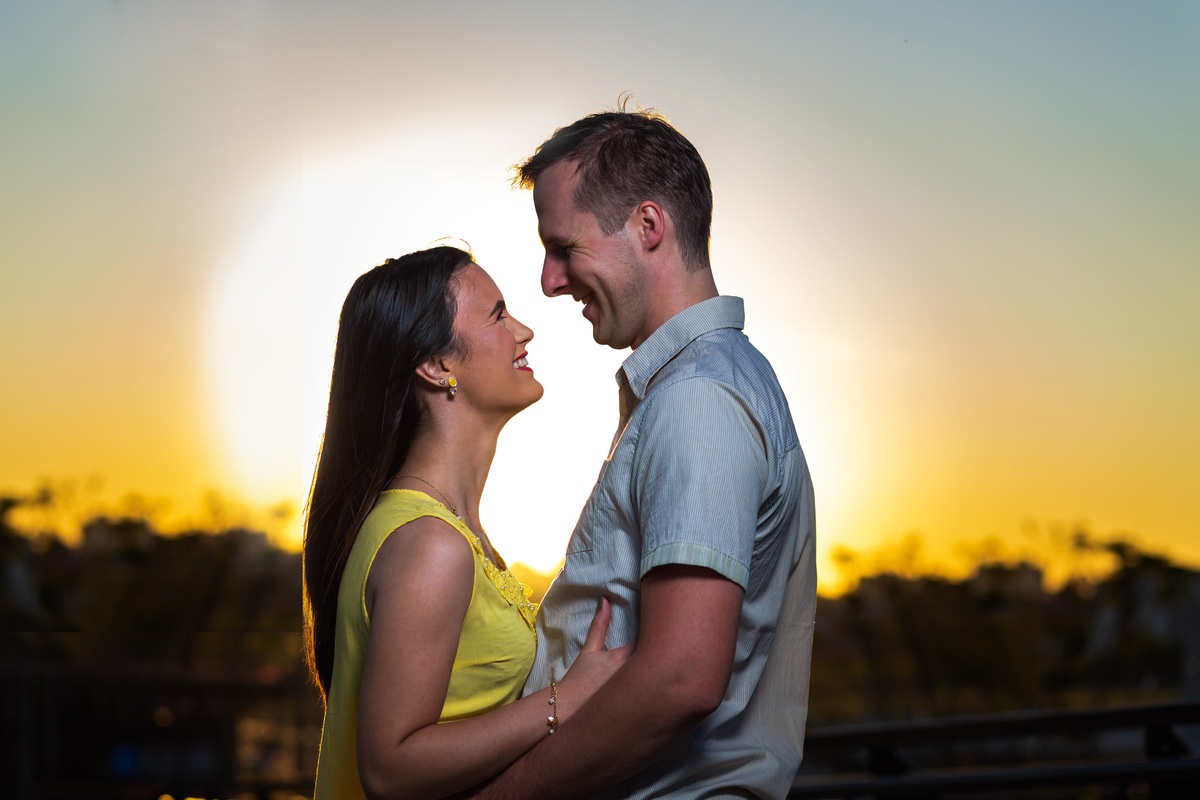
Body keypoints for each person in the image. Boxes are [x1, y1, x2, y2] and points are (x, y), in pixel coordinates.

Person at [477, 107, 818, 799]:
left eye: (564, 247)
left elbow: (681, 679)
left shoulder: (699, 400)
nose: (549, 281)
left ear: (648, 226)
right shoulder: (706, 385)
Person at [302, 245, 629, 800]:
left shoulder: (444, 529)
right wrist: (565, 701)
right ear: (437, 367)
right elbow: (390, 768)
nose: (524, 331)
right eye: (498, 316)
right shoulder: (429, 544)